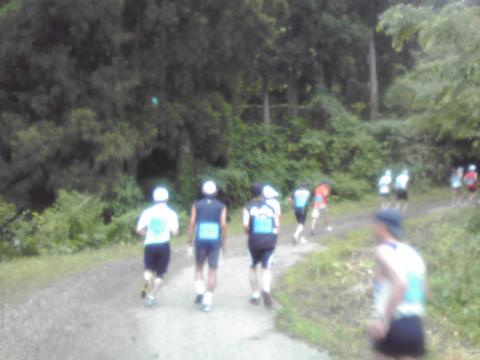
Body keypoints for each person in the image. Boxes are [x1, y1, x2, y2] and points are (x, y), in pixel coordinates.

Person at [368, 208, 427, 359]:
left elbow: (401, 283)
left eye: (375, 225)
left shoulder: (384, 250)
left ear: (383, 226)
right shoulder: (413, 254)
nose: (373, 229)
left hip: (394, 322)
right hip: (415, 324)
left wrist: (383, 320)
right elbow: (424, 290)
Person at [187, 180, 227, 312]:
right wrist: (224, 241)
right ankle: (208, 300)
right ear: (216, 192)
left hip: (200, 239)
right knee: (213, 269)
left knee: (199, 267)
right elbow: (223, 225)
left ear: (203, 192)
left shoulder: (196, 205)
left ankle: (200, 292)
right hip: (215, 240)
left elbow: (192, 223)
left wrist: (189, 240)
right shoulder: (222, 206)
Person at [136, 187, 179, 307]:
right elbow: (175, 232)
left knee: (149, 269)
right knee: (160, 273)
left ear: (154, 198)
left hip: (149, 244)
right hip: (163, 245)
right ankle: (151, 296)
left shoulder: (148, 212)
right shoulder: (171, 213)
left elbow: (139, 229)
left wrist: (147, 235)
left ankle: (146, 285)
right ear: (167, 198)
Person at [244, 183, 279, 308]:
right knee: (266, 267)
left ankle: (255, 295)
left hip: (254, 241)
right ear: (262, 193)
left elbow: (246, 225)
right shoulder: (270, 207)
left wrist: (249, 232)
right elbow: (277, 225)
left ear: (251, 194)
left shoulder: (248, 208)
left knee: (252, 266)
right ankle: (266, 289)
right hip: (269, 241)